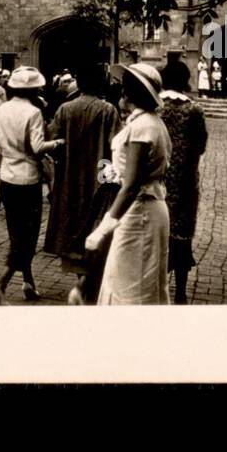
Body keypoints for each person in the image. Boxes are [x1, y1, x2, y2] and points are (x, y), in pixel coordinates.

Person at [84, 63, 173, 304]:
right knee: (134, 280)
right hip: (145, 209)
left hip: (140, 212)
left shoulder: (142, 127)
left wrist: (103, 229)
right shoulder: (150, 122)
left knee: (131, 286)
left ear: (132, 94)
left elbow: (132, 184)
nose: (121, 93)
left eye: (125, 88)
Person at [44, 64, 121, 304]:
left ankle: (81, 279)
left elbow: (52, 138)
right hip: (99, 177)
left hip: (69, 176)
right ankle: (85, 284)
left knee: (73, 224)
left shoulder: (65, 109)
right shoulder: (109, 111)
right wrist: (109, 183)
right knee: (97, 223)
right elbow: (114, 148)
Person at [0, 67, 63, 304]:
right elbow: (37, 146)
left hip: (7, 176)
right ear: (31, 89)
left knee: (16, 233)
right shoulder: (32, 113)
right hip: (28, 177)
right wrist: (58, 142)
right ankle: (2, 281)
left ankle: (28, 281)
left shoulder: (1, 110)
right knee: (28, 236)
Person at [157, 61, 209, 304]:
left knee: (159, 232)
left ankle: (158, 286)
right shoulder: (194, 110)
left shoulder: (157, 107)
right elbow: (201, 146)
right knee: (183, 233)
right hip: (186, 181)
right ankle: (180, 290)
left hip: (160, 178)